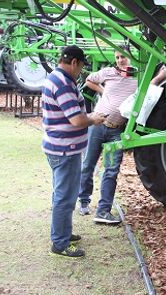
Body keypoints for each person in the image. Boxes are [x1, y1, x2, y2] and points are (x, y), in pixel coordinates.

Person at [78, 49, 166, 224]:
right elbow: (89, 80)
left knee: (111, 171)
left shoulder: (137, 77)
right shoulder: (108, 73)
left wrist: (162, 75)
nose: (120, 60)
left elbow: (148, 89)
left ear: (131, 57)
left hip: (117, 131)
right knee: (88, 163)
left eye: (123, 57)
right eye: (117, 57)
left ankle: (103, 211)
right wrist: (104, 91)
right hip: (97, 125)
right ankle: (84, 200)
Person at [42, 45, 106, 258]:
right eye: (81, 67)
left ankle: (63, 233)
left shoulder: (57, 78)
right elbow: (77, 120)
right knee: (65, 197)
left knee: (62, 194)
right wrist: (94, 119)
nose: (80, 72)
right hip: (65, 150)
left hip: (59, 147)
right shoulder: (63, 84)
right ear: (74, 63)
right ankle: (60, 243)